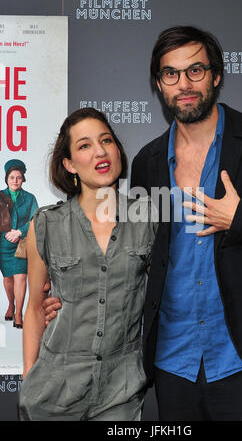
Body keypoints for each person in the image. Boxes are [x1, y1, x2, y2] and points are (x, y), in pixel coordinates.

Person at [44, 26, 242, 421]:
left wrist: (241, 218)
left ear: (216, 75)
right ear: (159, 84)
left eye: (196, 70)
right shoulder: (147, 162)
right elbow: (135, 259)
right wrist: (71, 302)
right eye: (171, 74)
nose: (184, 84)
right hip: (172, 366)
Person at [18, 107, 157, 421]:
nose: (100, 151)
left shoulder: (147, 217)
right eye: (84, 145)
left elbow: (163, 297)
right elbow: (36, 307)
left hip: (120, 393)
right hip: (53, 392)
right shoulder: (45, 224)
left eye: (106, 140)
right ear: (69, 165)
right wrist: (29, 377)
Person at [0, 160, 38, 328]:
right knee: (8, 278)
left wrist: (19, 232)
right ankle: (11, 304)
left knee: (21, 277)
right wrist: (6, 230)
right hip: (3, 243)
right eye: (12, 177)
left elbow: (35, 219)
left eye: (19, 178)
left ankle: (18, 314)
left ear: (23, 180)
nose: (15, 180)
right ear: (6, 179)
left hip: (22, 243)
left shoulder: (30, 198)